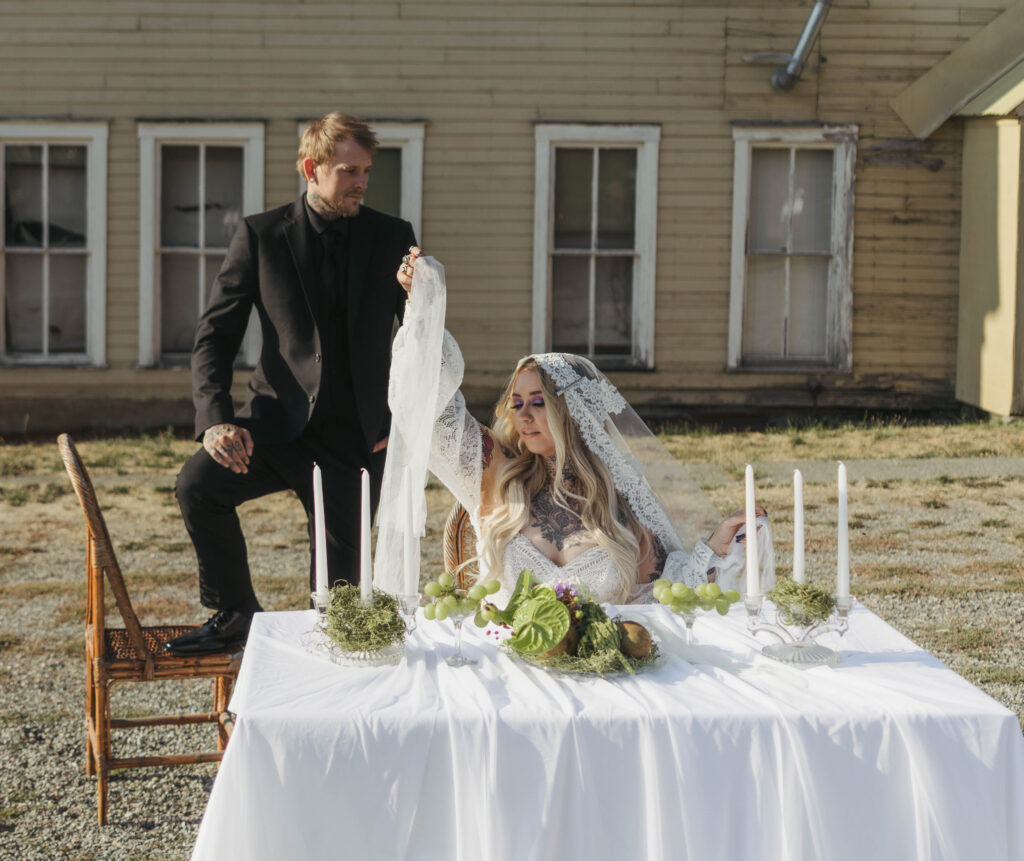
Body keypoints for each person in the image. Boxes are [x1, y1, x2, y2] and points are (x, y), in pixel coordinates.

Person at [378, 251, 771, 605]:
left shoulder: (622, 502)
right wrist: (422, 309)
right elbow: (429, 410)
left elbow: (668, 594)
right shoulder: (496, 474)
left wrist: (716, 548)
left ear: (574, 413)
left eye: (538, 403)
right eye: (516, 403)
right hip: (506, 667)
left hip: (598, 674)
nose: (523, 417)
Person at [164, 112, 416, 655]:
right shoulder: (259, 236)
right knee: (198, 486)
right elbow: (214, 337)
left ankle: (324, 687)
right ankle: (235, 614)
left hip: (353, 442)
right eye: (349, 171)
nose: (361, 183)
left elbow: (422, 339)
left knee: (339, 611)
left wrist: (394, 420)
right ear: (311, 167)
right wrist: (215, 421)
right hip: (274, 429)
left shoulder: (393, 237)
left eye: (366, 171)